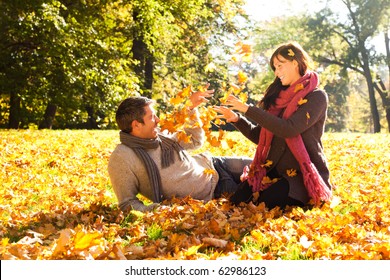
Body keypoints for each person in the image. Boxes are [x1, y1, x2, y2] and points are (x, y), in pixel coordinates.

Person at [214, 42, 333, 209]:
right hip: (273, 171)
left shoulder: (317, 97)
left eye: (280, 65)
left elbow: (288, 129)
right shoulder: (278, 98)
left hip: (300, 175)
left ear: (295, 62)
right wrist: (237, 120)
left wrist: (248, 109)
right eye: (274, 68)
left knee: (266, 202)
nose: (277, 73)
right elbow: (259, 135)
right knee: (238, 200)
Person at [108, 85, 252, 213]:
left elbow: (195, 140)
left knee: (265, 165)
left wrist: (191, 109)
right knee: (266, 194)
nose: (158, 120)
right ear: (136, 125)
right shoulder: (122, 157)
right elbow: (127, 203)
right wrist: (155, 210)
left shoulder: (161, 135)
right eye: (152, 117)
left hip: (215, 165)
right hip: (215, 191)